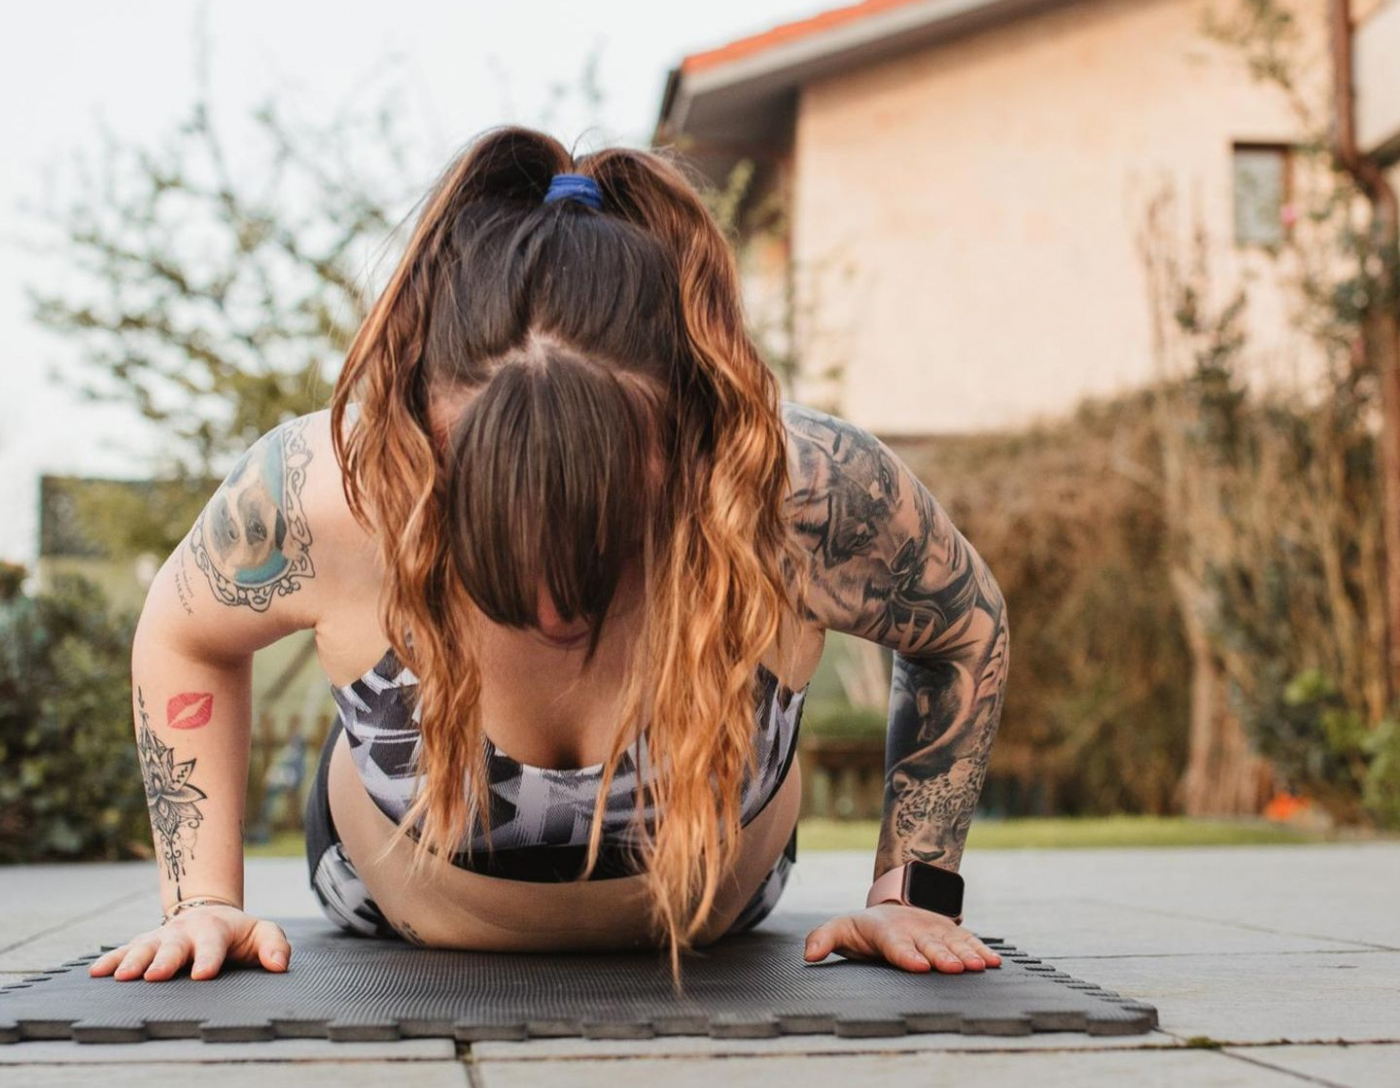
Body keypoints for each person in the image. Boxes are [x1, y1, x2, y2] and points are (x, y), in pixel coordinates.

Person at [89, 126, 1010, 985]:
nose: (551, 606)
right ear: (424, 441)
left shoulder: (793, 488)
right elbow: (184, 636)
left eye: (605, 521)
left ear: (690, 439)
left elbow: (963, 630)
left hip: (718, 910)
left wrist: (913, 891)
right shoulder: (331, 491)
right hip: (387, 897)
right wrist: (201, 900)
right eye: (494, 515)